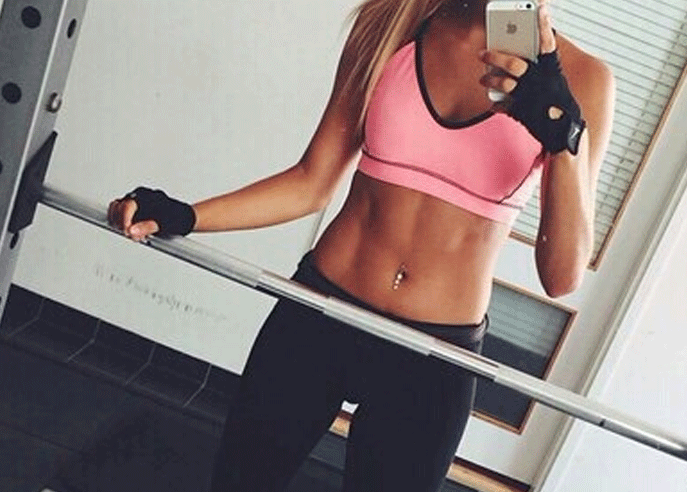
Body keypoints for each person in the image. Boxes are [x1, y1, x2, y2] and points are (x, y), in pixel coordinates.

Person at [108, 0, 614, 490]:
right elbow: (312, 181)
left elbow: (561, 275)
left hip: (434, 356)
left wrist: (563, 133)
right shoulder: (392, 21)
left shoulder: (584, 79)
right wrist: (188, 216)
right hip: (319, 314)